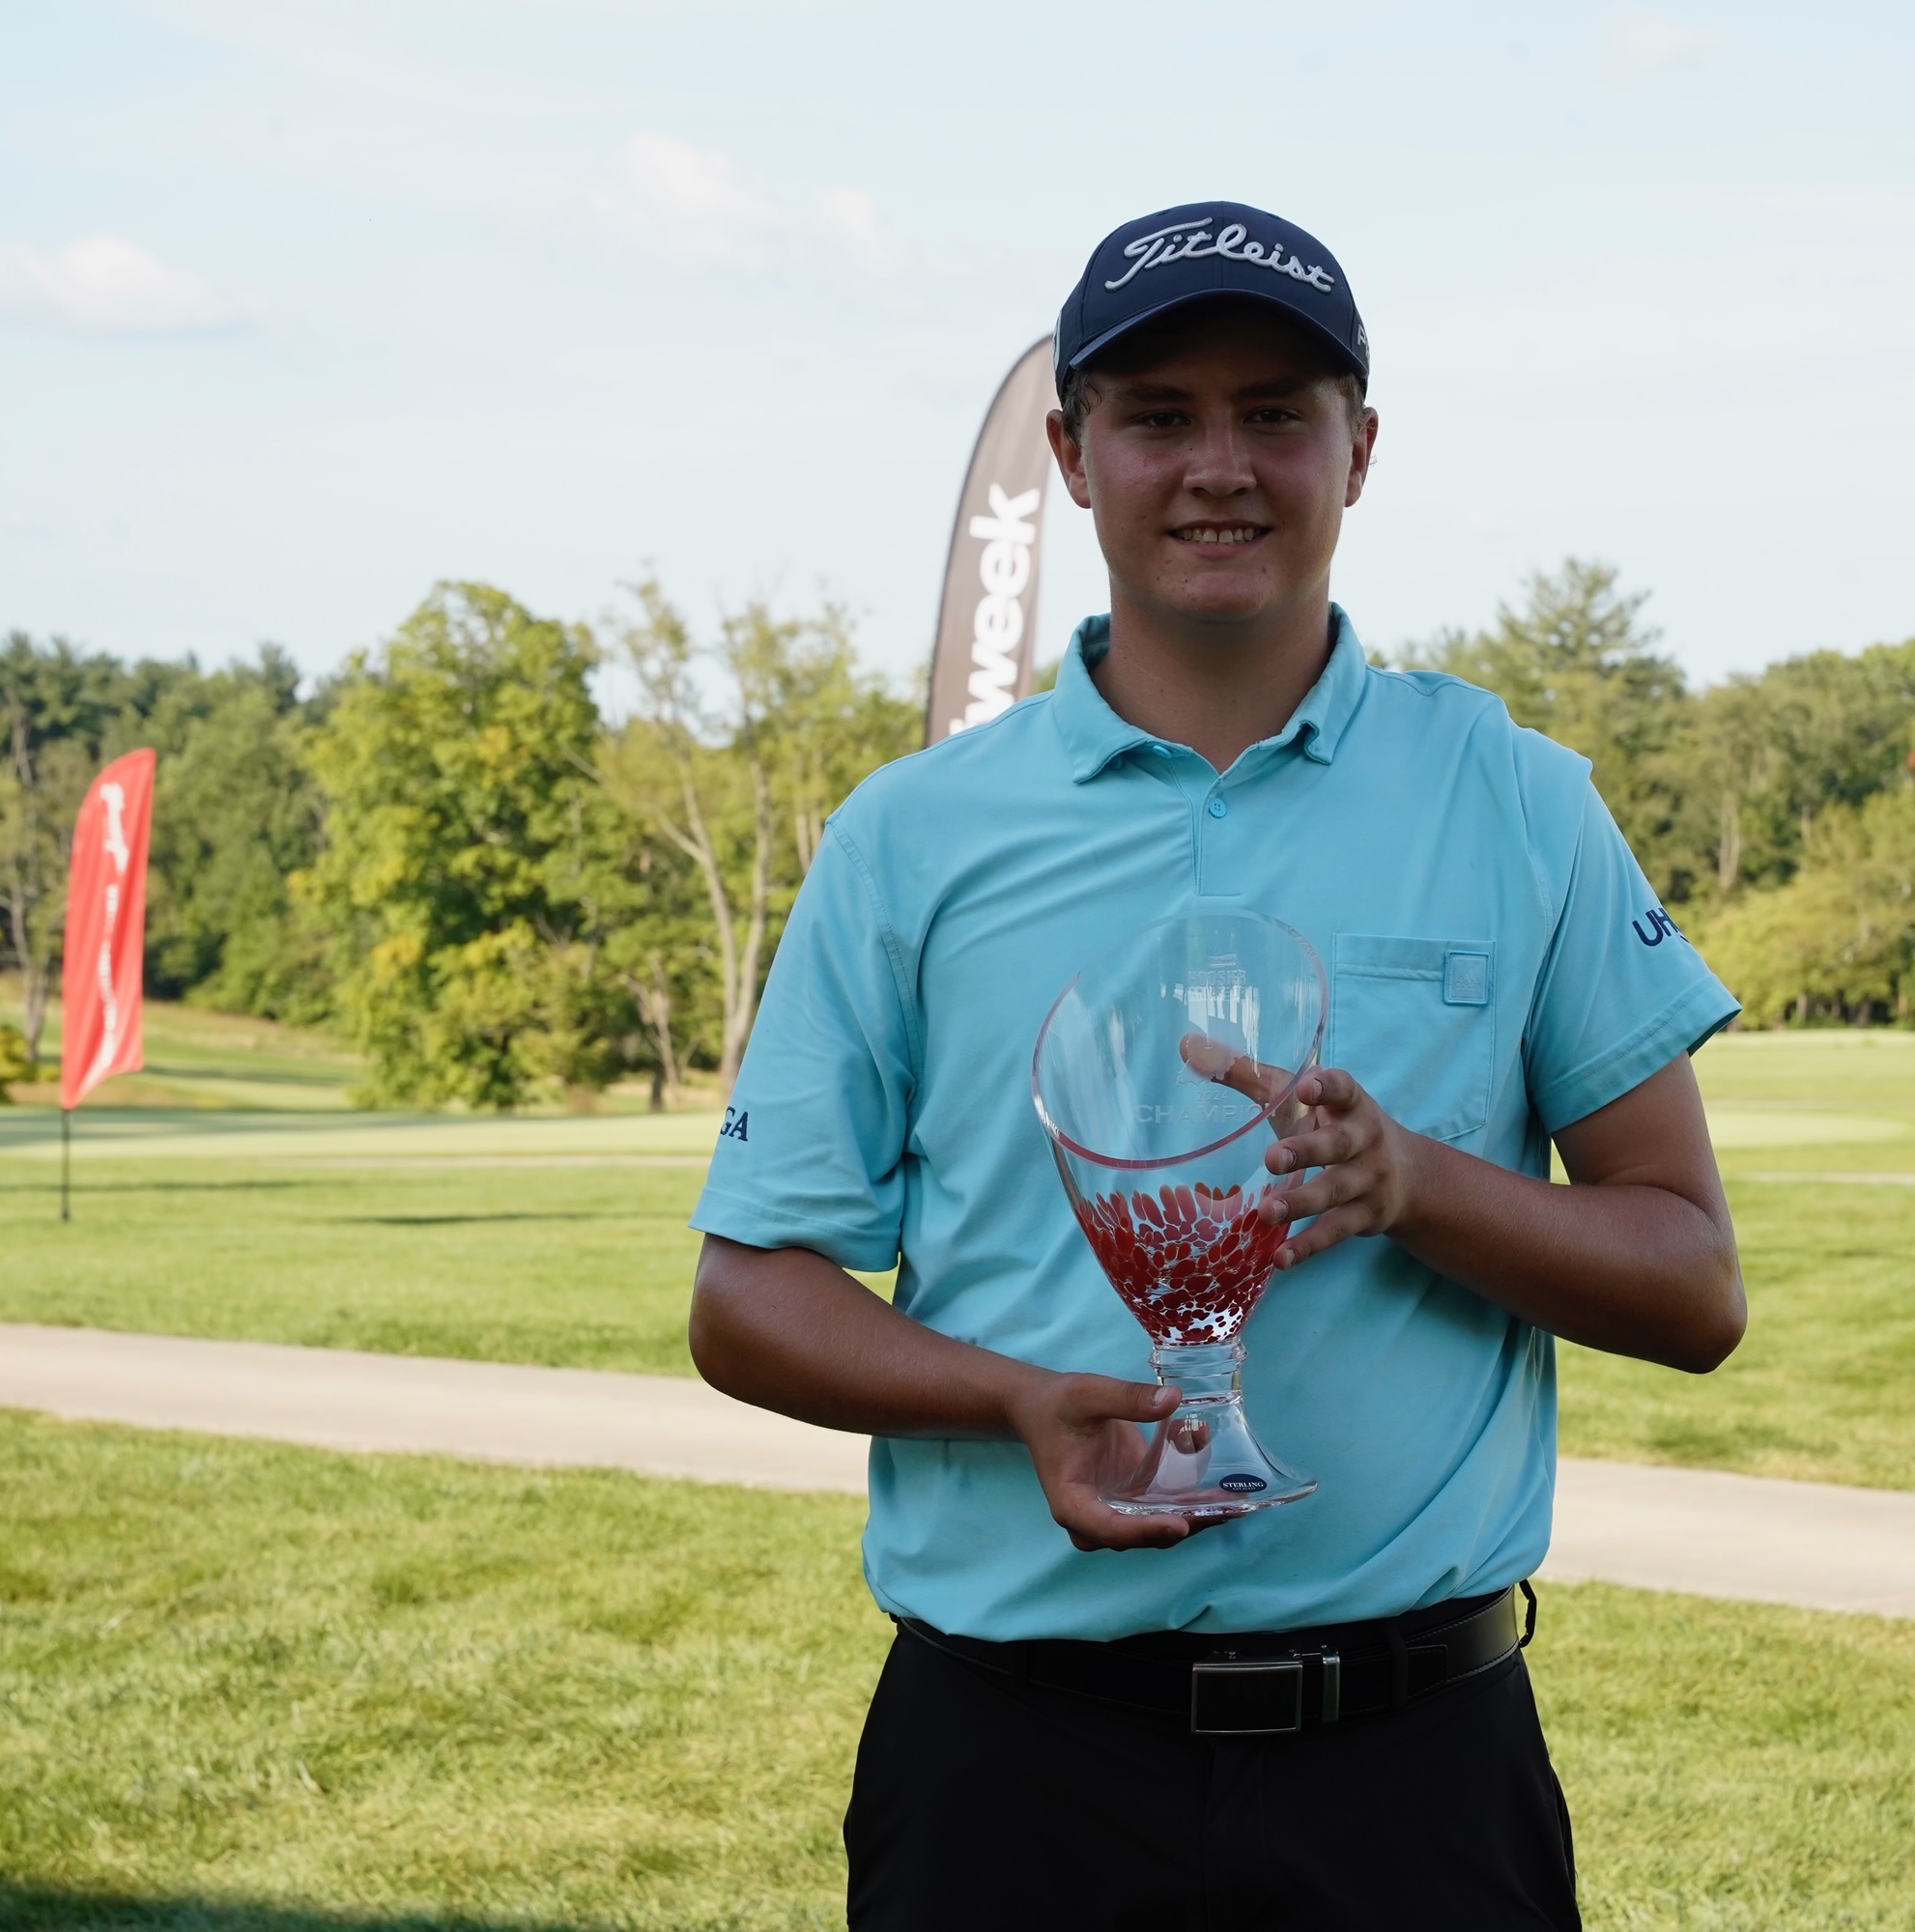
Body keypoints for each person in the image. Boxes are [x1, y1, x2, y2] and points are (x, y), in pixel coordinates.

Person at [689, 201, 1745, 1931]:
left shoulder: (1515, 799)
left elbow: (1691, 1284)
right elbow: (748, 1295)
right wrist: (1007, 1397)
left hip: (1412, 1766)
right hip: (1012, 1768)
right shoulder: (914, 834)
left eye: (1276, 411)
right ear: (1071, 454)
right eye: (1158, 413)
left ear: (1362, 450)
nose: (1219, 465)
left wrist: (1416, 1188)